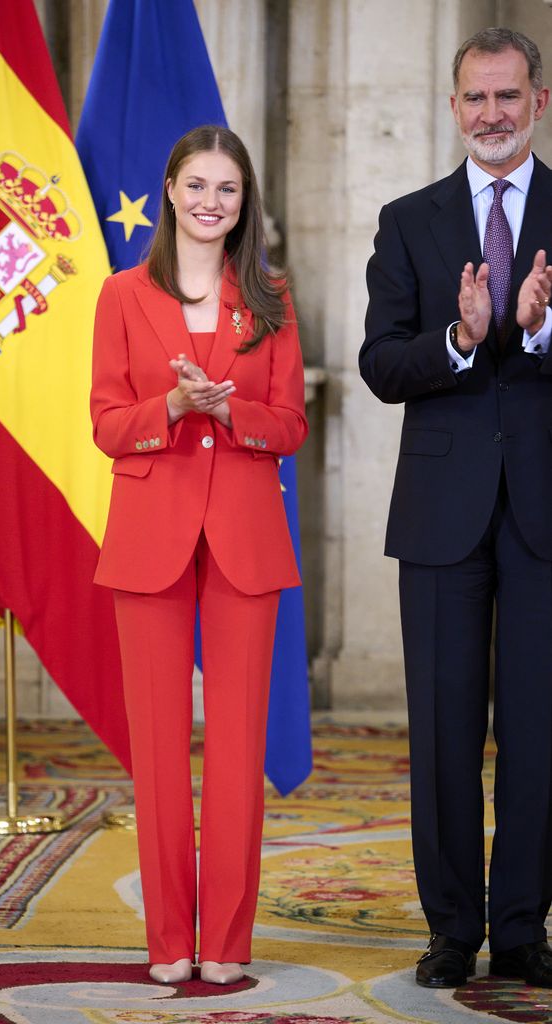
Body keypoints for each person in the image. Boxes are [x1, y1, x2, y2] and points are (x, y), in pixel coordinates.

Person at [90, 125, 308, 985]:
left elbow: (289, 424)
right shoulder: (119, 296)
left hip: (246, 540)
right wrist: (173, 405)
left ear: (242, 201)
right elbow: (107, 423)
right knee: (156, 744)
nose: (212, 201)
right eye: (197, 185)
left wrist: (229, 414)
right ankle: (167, 942)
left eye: (228, 188)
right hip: (150, 538)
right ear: (171, 191)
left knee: (235, 748)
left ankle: (224, 943)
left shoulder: (274, 299)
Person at [360, 27, 552, 990]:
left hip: (546, 515)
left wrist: (541, 327)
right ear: (452, 107)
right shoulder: (410, 220)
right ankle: (451, 931)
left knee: (538, 728)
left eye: (508, 96)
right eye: (475, 98)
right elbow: (380, 363)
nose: (491, 114)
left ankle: (522, 929)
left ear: (539, 101)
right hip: (440, 512)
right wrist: (463, 338)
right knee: (441, 730)